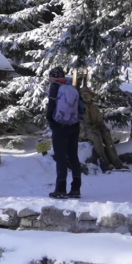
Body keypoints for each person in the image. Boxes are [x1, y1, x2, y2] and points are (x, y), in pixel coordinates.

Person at [46, 68, 83, 199]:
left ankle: (60, 188)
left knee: (60, 156)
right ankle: (76, 188)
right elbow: (81, 106)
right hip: (74, 125)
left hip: (59, 126)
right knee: (73, 156)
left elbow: (51, 105)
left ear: (53, 76)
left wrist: (50, 120)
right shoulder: (72, 86)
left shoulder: (55, 86)